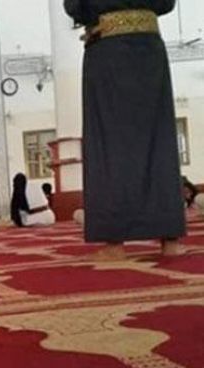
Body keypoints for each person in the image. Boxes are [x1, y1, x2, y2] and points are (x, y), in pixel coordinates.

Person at [64, 0, 186, 260]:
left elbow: (74, 7)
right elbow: (166, 4)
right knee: (158, 139)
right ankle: (170, 241)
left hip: (108, 49)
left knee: (109, 144)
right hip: (149, 49)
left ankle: (115, 244)